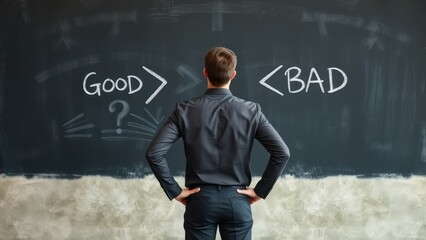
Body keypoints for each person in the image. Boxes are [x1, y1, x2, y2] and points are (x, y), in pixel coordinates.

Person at [146, 47, 290, 240]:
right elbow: (282, 153)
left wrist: (174, 190)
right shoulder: (251, 111)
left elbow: (154, 153)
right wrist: (260, 191)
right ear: (233, 75)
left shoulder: (184, 110)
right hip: (237, 200)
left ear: (205, 72)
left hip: (200, 201)